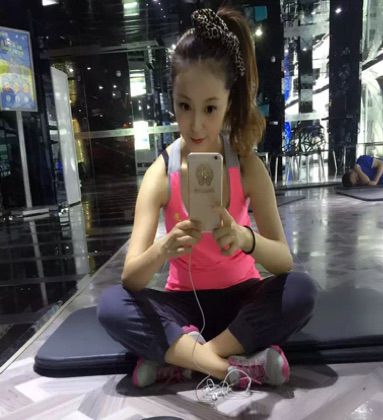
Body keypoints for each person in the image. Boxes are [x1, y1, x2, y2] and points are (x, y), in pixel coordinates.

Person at [97, 7, 317, 390]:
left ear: (229, 102)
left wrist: (246, 238)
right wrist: (163, 249)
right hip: (183, 306)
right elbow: (131, 277)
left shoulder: (247, 166)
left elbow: (283, 262)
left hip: (242, 301)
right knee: (112, 306)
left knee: (301, 291)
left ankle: (186, 360)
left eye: (210, 108)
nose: (196, 124)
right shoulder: (160, 174)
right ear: (172, 100)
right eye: (184, 106)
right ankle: (233, 366)